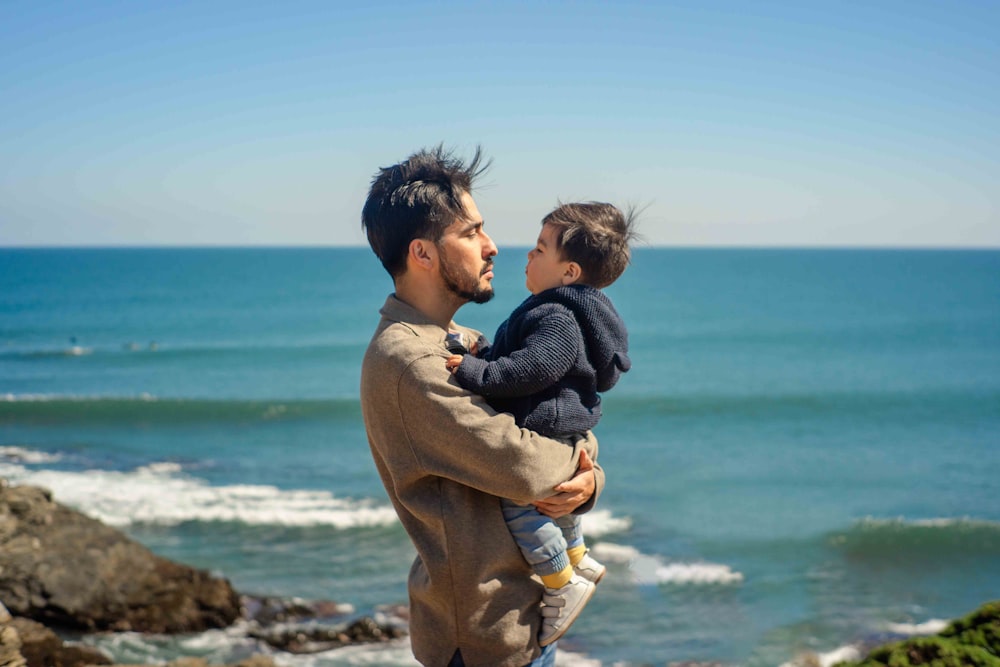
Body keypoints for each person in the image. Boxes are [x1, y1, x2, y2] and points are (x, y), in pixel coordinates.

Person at [359, 145, 605, 667]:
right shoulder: (410, 362)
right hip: (480, 641)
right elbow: (524, 463)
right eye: (471, 233)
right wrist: (584, 469)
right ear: (423, 254)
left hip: (523, 623)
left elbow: (560, 414)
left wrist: (589, 477)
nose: (492, 247)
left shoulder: (460, 342)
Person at [445, 202, 635, 645]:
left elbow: (533, 368)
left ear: (568, 272)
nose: (527, 256)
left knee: (522, 505)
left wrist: (475, 372)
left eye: (539, 249)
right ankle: (578, 556)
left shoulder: (555, 314)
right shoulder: (579, 313)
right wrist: (490, 355)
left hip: (543, 427)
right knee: (556, 508)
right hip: (564, 430)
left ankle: (560, 581)